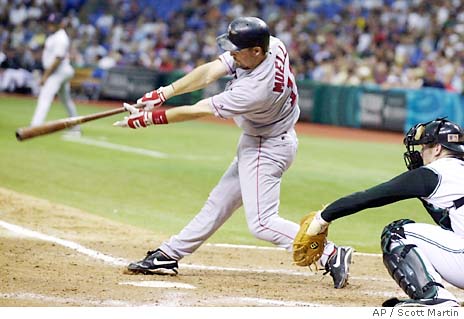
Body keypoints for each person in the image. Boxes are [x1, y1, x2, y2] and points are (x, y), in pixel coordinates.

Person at [114, 17, 353, 289]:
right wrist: (163, 93)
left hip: (268, 146)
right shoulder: (272, 45)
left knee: (262, 223)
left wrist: (149, 118)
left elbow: (199, 110)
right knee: (218, 203)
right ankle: (169, 255)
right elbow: (210, 72)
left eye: (237, 50)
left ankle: (330, 253)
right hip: (263, 139)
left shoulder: (255, 89)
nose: (232, 54)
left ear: (256, 51)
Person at [305, 118, 464, 306]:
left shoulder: (437, 172)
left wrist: (323, 218)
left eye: (423, 147)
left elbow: (373, 196)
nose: (420, 153)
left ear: (437, 149)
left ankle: (437, 299)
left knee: (396, 233)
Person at [30, 13, 81, 136]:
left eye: (54, 23)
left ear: (60, 24)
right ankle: (76, 126)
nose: (51, 25)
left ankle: (35, 127)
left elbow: (57, 60)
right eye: (50, 23)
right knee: (66, 99)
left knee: (45, 97)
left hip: (59, 71)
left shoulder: (61, 38)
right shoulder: (54, 36)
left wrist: (45, 76)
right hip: (59, 71)